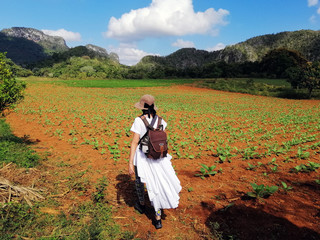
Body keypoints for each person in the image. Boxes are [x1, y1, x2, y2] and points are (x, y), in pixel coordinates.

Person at [128, 94, 182, 229]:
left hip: (143, 157)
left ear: (142, 108)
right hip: (159, 157)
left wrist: (130, 162)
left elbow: (135, 142)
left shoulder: (139, 121)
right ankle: (158, 219)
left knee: (140, 181)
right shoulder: (161, 120)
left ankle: (141, 205)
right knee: (157, 186)